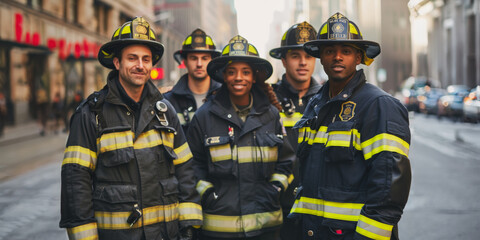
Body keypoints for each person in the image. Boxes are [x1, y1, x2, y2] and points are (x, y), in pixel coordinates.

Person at [59, 17, 202, 240]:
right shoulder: (91, 114)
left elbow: (186, 174)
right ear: (117, 63)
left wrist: (189, 229)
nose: (140, 65)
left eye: (146, 59)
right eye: (132, 58)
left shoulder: (166, 113)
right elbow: (76, 185)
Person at [289, 13, 412, 239]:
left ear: (358, 57)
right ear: (321, 58)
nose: (337, 57)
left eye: (346, 51)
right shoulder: (314, 105)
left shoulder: (379, 106)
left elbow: (389, 191)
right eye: (330, 51)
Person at [187, 35, 295, 240]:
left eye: (245, 72)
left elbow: (286, 161)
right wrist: (209, 194)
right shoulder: (204, 116)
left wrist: (275, 189)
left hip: (266, 227)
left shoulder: (271, 115)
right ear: (223, 76)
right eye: (232, 72)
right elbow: (191, 166)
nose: (239, 77)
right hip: (219, 229)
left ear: (254, 77)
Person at [269, 21, 320, 240]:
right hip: (277, 208)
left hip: (318, 210)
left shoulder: (329, 101)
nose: (302, 63)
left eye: (308, 56)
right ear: (283, 59)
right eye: (295, 56)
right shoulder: (266, 101)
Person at [164, 29, 222, 135]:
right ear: (185, 61)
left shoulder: (224, 97)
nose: (199, 64)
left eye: (204, 58)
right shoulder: (169, 101)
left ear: (212, 62)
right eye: (194, 58)